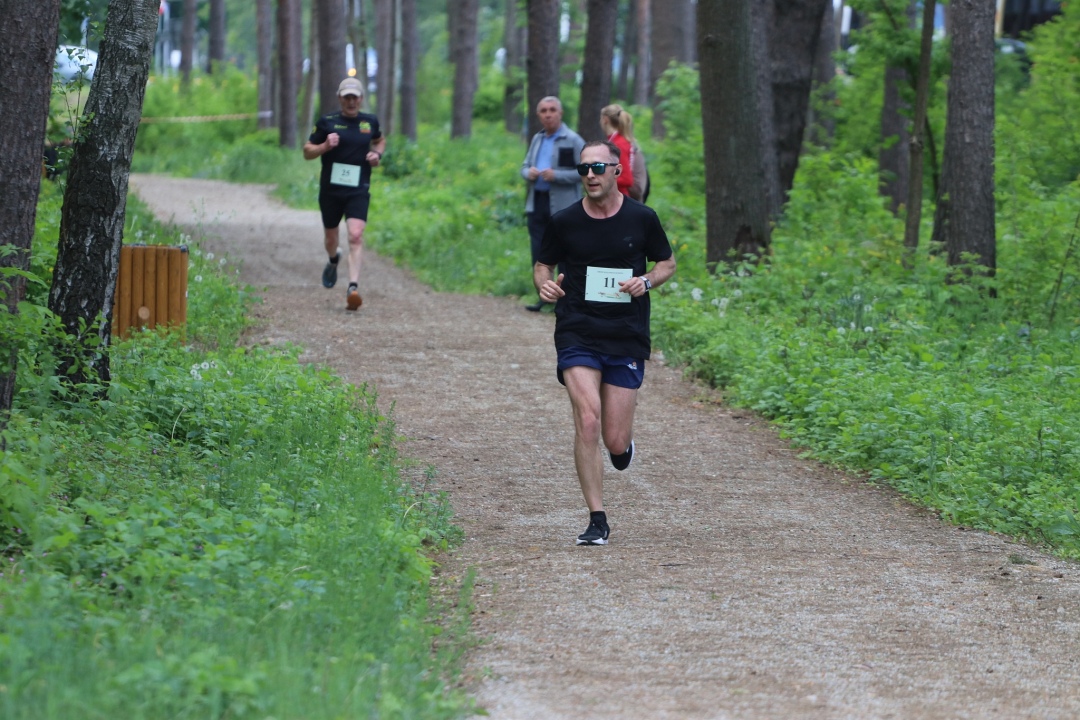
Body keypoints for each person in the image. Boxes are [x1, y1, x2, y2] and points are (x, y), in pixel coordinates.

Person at [533, 140, 677, 546]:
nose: (590, 175)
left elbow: (667, 262)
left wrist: (646, 281)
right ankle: (597, 518)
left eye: (597, 167)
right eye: (583, 169)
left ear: (616, 170)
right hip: (577, 329)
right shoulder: (565, 221)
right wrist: (543, 285)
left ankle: (622, 446)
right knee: (588, 419)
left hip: (626, 334)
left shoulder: (642, 218)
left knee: (614, 439)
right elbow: (544, 264)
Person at [303, 77, 386, 311]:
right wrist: (324, 146)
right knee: (331, 240)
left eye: (355, 97)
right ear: (340, 98)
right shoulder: (327, 122)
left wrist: (377, 155)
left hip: (358, 189)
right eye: (346, 97)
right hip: (331, 191)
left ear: (361, 99)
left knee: (356, 235)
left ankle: (353, 288)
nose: (351, 101)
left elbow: (380, 141)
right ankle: (332, 259)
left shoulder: (369, 122)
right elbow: (307, 152)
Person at [521, 96, 585, 312]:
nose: (548, 114)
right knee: (539, 252)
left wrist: (556, 175)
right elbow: (524, 166)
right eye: (543, 110)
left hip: (564, 206)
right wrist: (528, 173)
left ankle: (567, 300)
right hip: (537, 203)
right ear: (538, 114)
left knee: (566, 253)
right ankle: (543, 297)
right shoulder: (537, 139)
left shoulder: (573, 140)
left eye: (552, 110)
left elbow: (584, 171)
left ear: (560, 113)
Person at [599, 104, 636, 199]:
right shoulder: (615, 141)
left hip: (618, 199)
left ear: (605, 119)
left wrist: (602, 179)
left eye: (601, 118)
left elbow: (627, 179)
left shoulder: (619, 144)